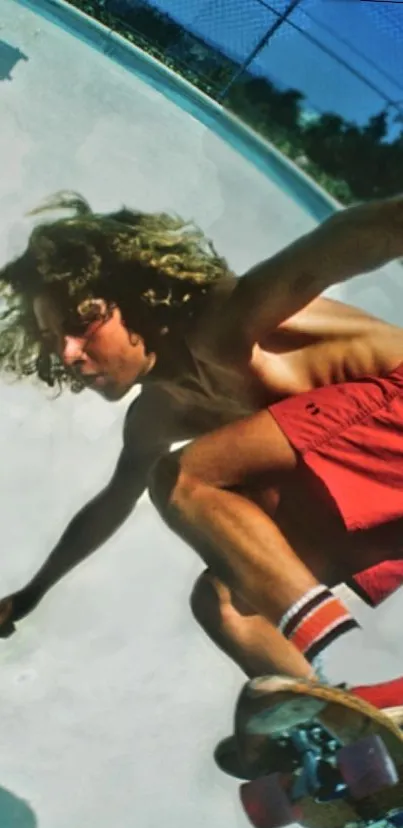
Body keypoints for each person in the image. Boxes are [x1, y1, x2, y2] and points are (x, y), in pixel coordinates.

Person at [0, 191, 402, 707]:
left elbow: (353, 236)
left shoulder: (223, 321)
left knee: (186, 477)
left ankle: (347, 658)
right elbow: (113, 503)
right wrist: (31, 595)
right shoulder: (159, 413)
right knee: (224, 601)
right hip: (382, 478)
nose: (69, 352)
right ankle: (356, 722)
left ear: (137, 298)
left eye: (83, 323)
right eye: (54, 338)